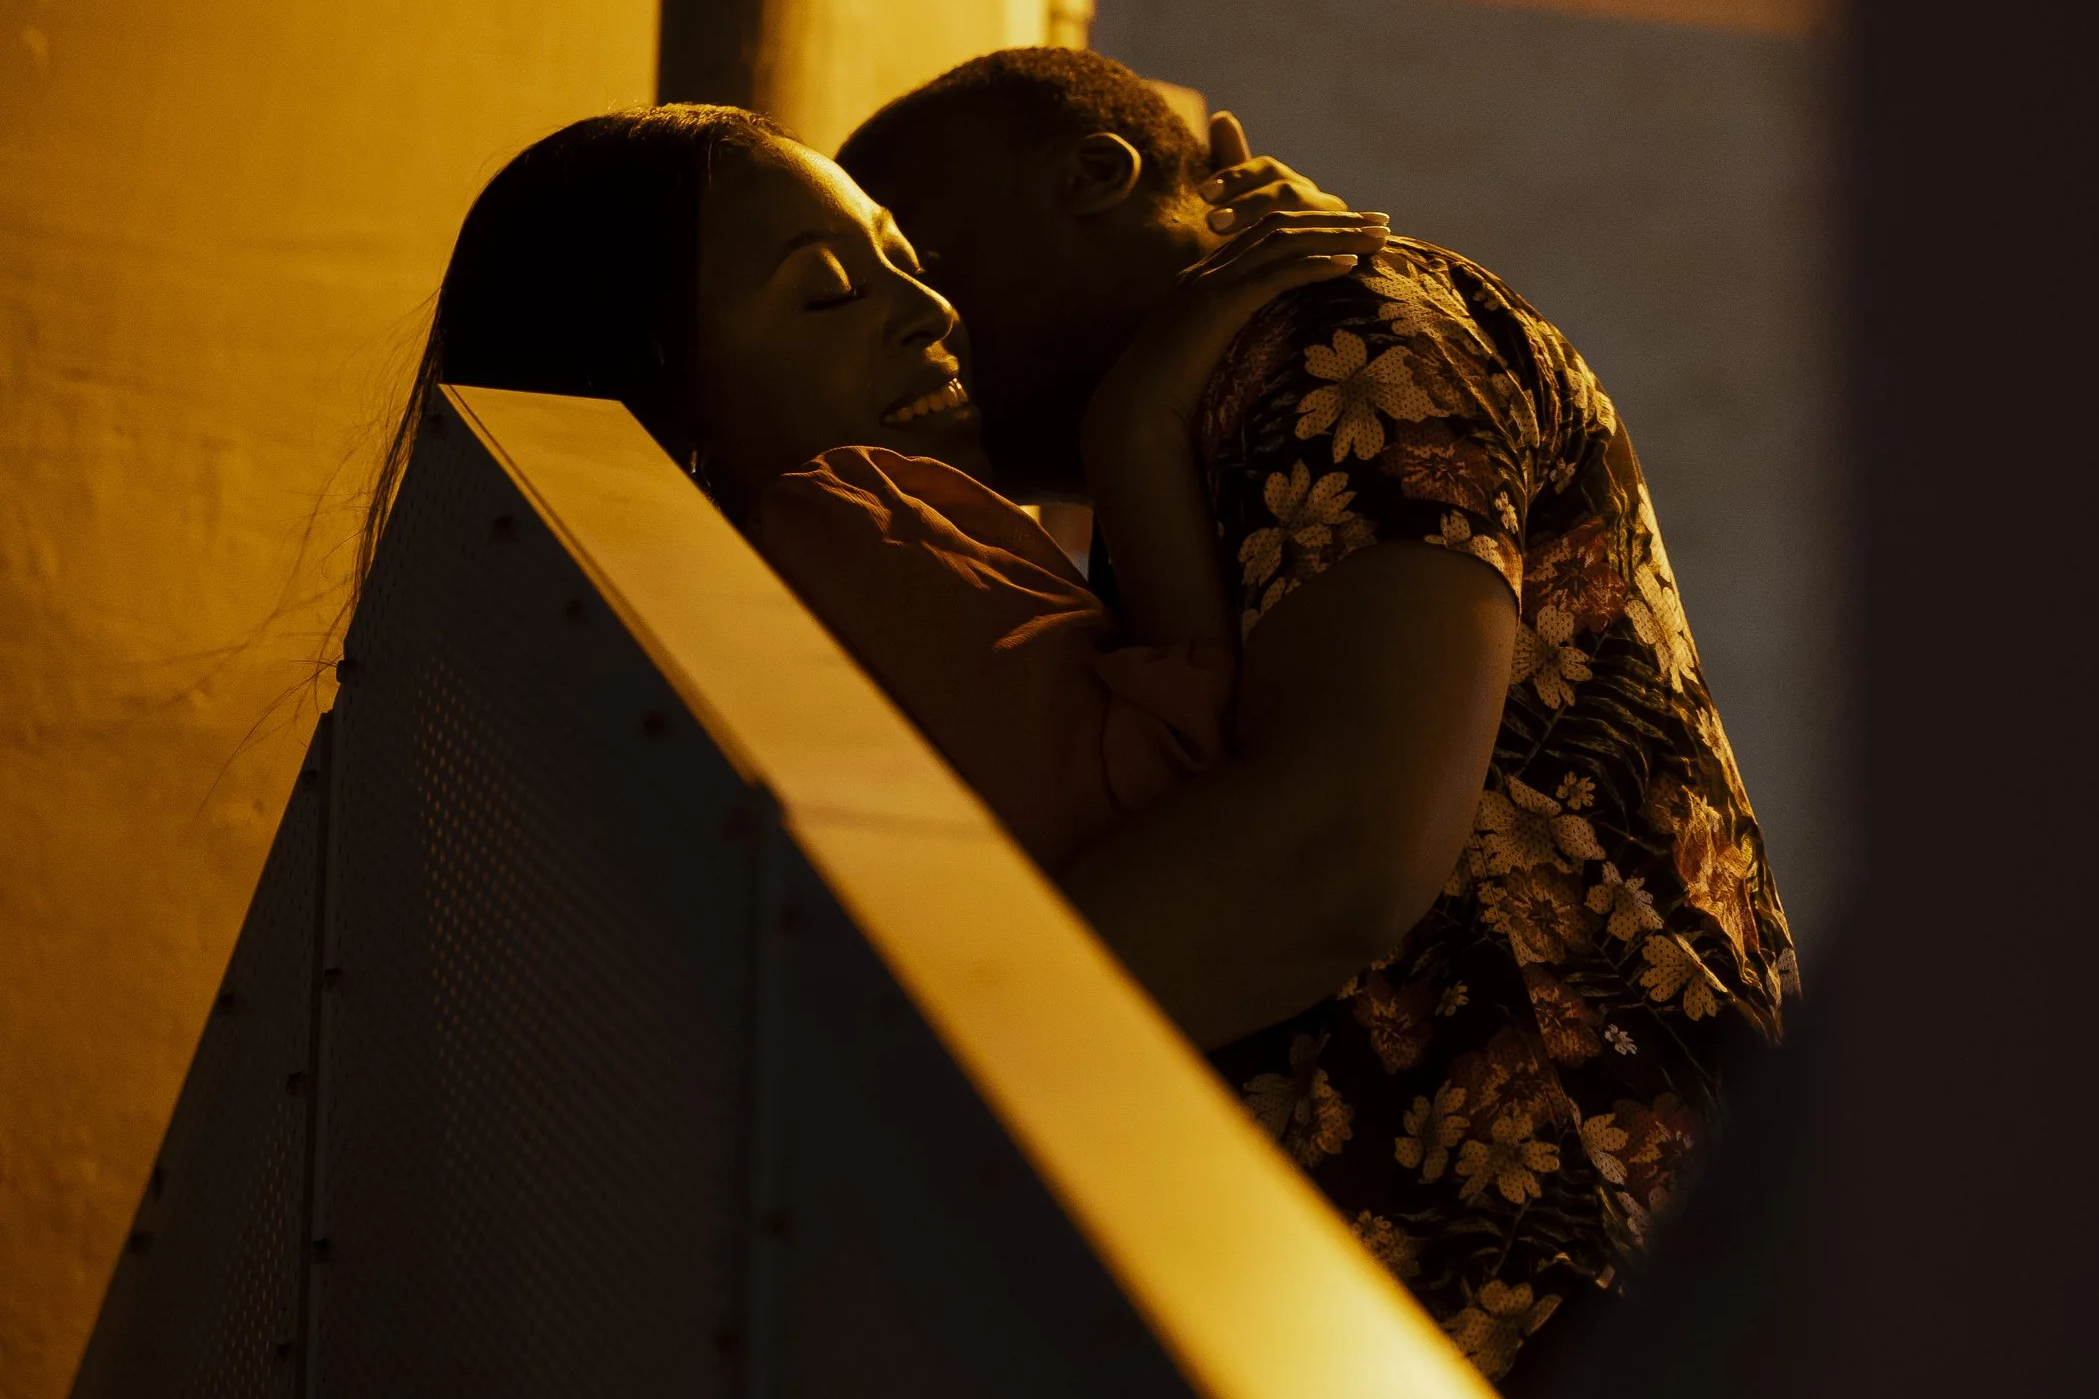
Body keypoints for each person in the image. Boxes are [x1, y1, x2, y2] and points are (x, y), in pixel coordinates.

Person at [841, 48, 1798, 1391]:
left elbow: (1326, 852)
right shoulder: (1199, 418)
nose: (919, 325)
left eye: (928, 262)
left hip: (1545, 1265)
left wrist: (857, 1080)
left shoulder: (1336, 334)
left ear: (1093, 177)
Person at [359, 103, 1386, 877]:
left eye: (905, 260)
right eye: (827, 292)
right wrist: (1139, 430)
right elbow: (1181, 800)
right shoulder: (845, 517)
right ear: (663, 394)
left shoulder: (635, 660)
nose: (930, 308)